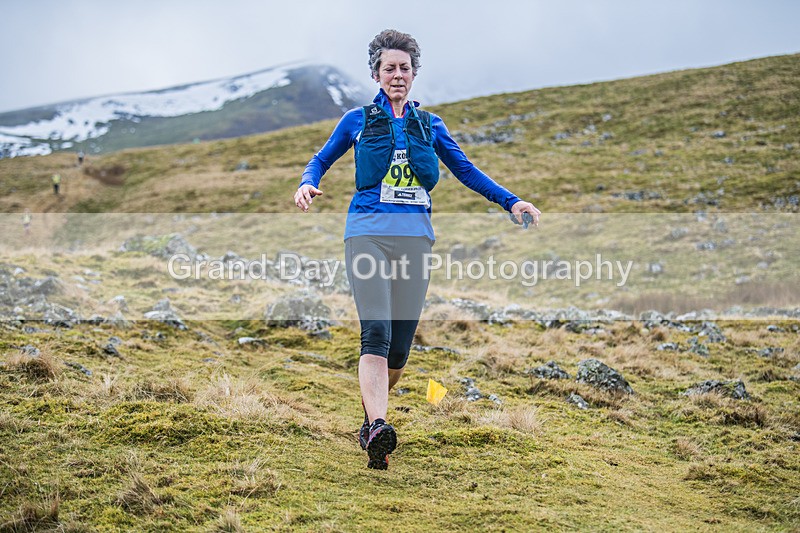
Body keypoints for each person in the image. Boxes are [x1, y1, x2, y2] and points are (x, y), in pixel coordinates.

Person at [294, 29, 540, 470]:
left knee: (399, 351)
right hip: (367, 233)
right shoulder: (356, 120)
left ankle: (370, 422)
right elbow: (321, 159)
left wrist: (511, 201)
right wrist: (307, 183)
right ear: (376, 73)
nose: (397, 75)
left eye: (405, 68)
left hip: (415, 240)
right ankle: (378, 425)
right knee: (376, 332)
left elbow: (466, 170)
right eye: (389, 68)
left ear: (413, 74)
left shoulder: (431, 125)